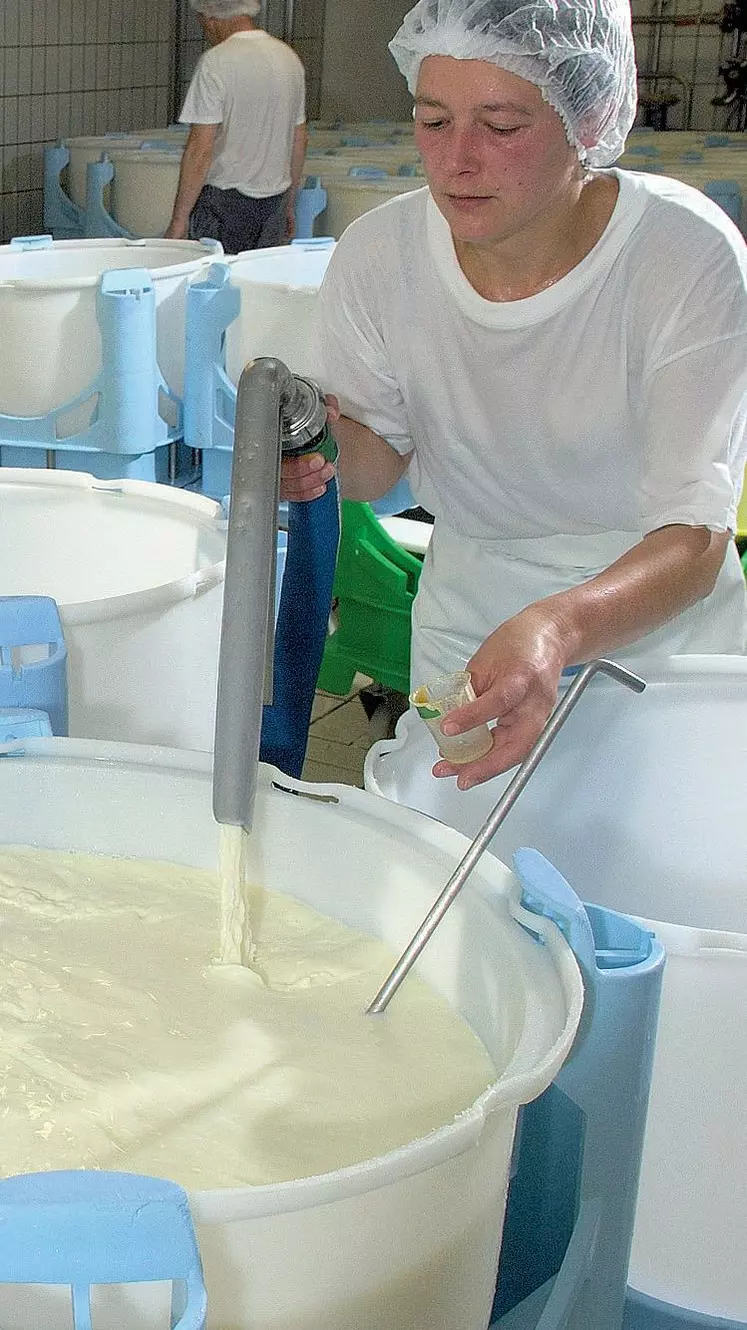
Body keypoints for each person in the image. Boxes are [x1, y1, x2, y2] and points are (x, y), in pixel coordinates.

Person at [282, 0, 747, 790]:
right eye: (432, 122)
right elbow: (376, 467)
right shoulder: (381, 254)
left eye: (500, 127)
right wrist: (320, 451)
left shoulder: (681, 256)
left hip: (656, 626)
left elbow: (693, 538)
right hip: (471, 617)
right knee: (468, 875)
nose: (457, 160)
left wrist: (558, 625)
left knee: (648, 873)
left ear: (587, 120)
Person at [165, 0, 307, 253]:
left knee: (219, 284)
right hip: (275, 201)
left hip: (224, 205)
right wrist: (289, 205)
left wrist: (179, 220)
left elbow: (201, 150)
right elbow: (299, 140)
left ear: (210, 18)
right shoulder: (288, 58)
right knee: (261, 284)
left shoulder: (216, 62)